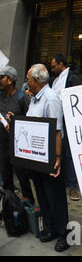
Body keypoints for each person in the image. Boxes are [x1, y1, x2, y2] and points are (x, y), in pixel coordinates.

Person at [25, 64, 70, 252]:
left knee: (56, 196)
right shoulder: (34, 99)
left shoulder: (51, 99)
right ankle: (51, 228)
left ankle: (64, 235)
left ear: (36, 80)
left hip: (51, 155)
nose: (26, 81)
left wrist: (57, 157)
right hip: (36, 156)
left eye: (28, 78)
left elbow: (57, 130)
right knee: (42, 194)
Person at [49, 54, 82, 201]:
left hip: (68, 121)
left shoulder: (72, 78)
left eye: (53, 66)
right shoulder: (55, 80)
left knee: (69, 153)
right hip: (57, 121)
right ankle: (61, 182)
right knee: (59, 151)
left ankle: (73, 186)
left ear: (61, 64)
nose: (52, 69)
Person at [0, 65, 34, 203]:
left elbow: (31, 120)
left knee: (22, 178)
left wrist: (15, 122)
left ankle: (29, 207)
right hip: (2, 146)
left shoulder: (21, 97)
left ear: (10, 80)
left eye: (1, 77)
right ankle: (10, 207)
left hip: (19, 147)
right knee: (6, 179)